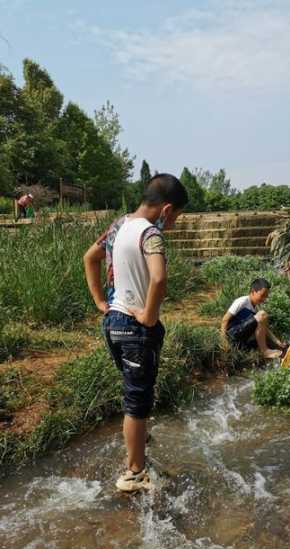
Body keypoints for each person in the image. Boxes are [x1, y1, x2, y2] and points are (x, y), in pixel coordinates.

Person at [83, 174, 188, 492]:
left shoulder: (119, 225)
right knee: (137, 402)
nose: (173, 224)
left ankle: (138, 449)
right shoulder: (151, 234)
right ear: (166, 209)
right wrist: (149, 316)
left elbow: (90, 258)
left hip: (113, 324)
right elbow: (158, 279)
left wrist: (101, 301)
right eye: (176, 218)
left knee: (134, 393)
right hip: (135, 328)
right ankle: (134, 473)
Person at [221, 278, 287, 360]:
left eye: (266, 297)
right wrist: (223, 341)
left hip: (241, 341)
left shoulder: (255, 309)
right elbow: (225, 320)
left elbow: (265, 329)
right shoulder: (242, 301)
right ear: (253, 292)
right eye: (262, 295)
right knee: (262, 314)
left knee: (266, 339)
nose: (264, 299)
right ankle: (265, 352)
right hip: (232, 335)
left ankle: (281, 354)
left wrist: (278, 342)